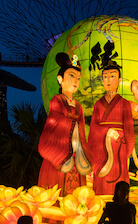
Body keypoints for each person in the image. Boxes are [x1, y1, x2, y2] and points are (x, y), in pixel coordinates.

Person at [38, 52, 93, 197]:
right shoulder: (56, 100)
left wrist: (82, 147)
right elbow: (54, 121)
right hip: (60, 152)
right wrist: (71, 123)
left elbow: (81, 130)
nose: (76, 81)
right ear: (60, 79)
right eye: (71, 76)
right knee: (57, 189)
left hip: (76, 153)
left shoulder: (78, 106)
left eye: (78, 78)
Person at [88, 59, 135, 195]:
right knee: (101, 180)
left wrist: (126, 151)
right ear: (102, 81)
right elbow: (93, 127)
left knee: (119, 179)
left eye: (112, 76)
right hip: (101, 147)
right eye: (105, 77)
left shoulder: (125, 103)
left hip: (119, 147)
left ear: (119, 80)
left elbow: (129, 129)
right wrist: (106, 131)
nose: (108, 80)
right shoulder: (98, 104)